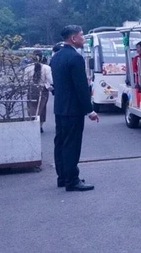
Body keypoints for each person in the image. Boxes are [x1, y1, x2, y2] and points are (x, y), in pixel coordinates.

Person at [51, 25, 100, 192]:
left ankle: (63, 177)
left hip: (60, 108)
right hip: (73, 110)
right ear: (73, 38)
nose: (84, 38)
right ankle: (72, 180)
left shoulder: (56, 56)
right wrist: (90, 110)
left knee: (61, 143)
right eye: (82, 35)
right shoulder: (75, 58)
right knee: (72, 145)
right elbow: (81, 88)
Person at [24, 50, 53, 133]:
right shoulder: (46, 68)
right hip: (42, 89)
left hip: (31, 89)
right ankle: (40, 125)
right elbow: (51, 81)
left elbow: (25, 80)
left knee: (31, 106)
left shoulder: (28, 67)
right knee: (42, 107)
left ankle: (32, 122)